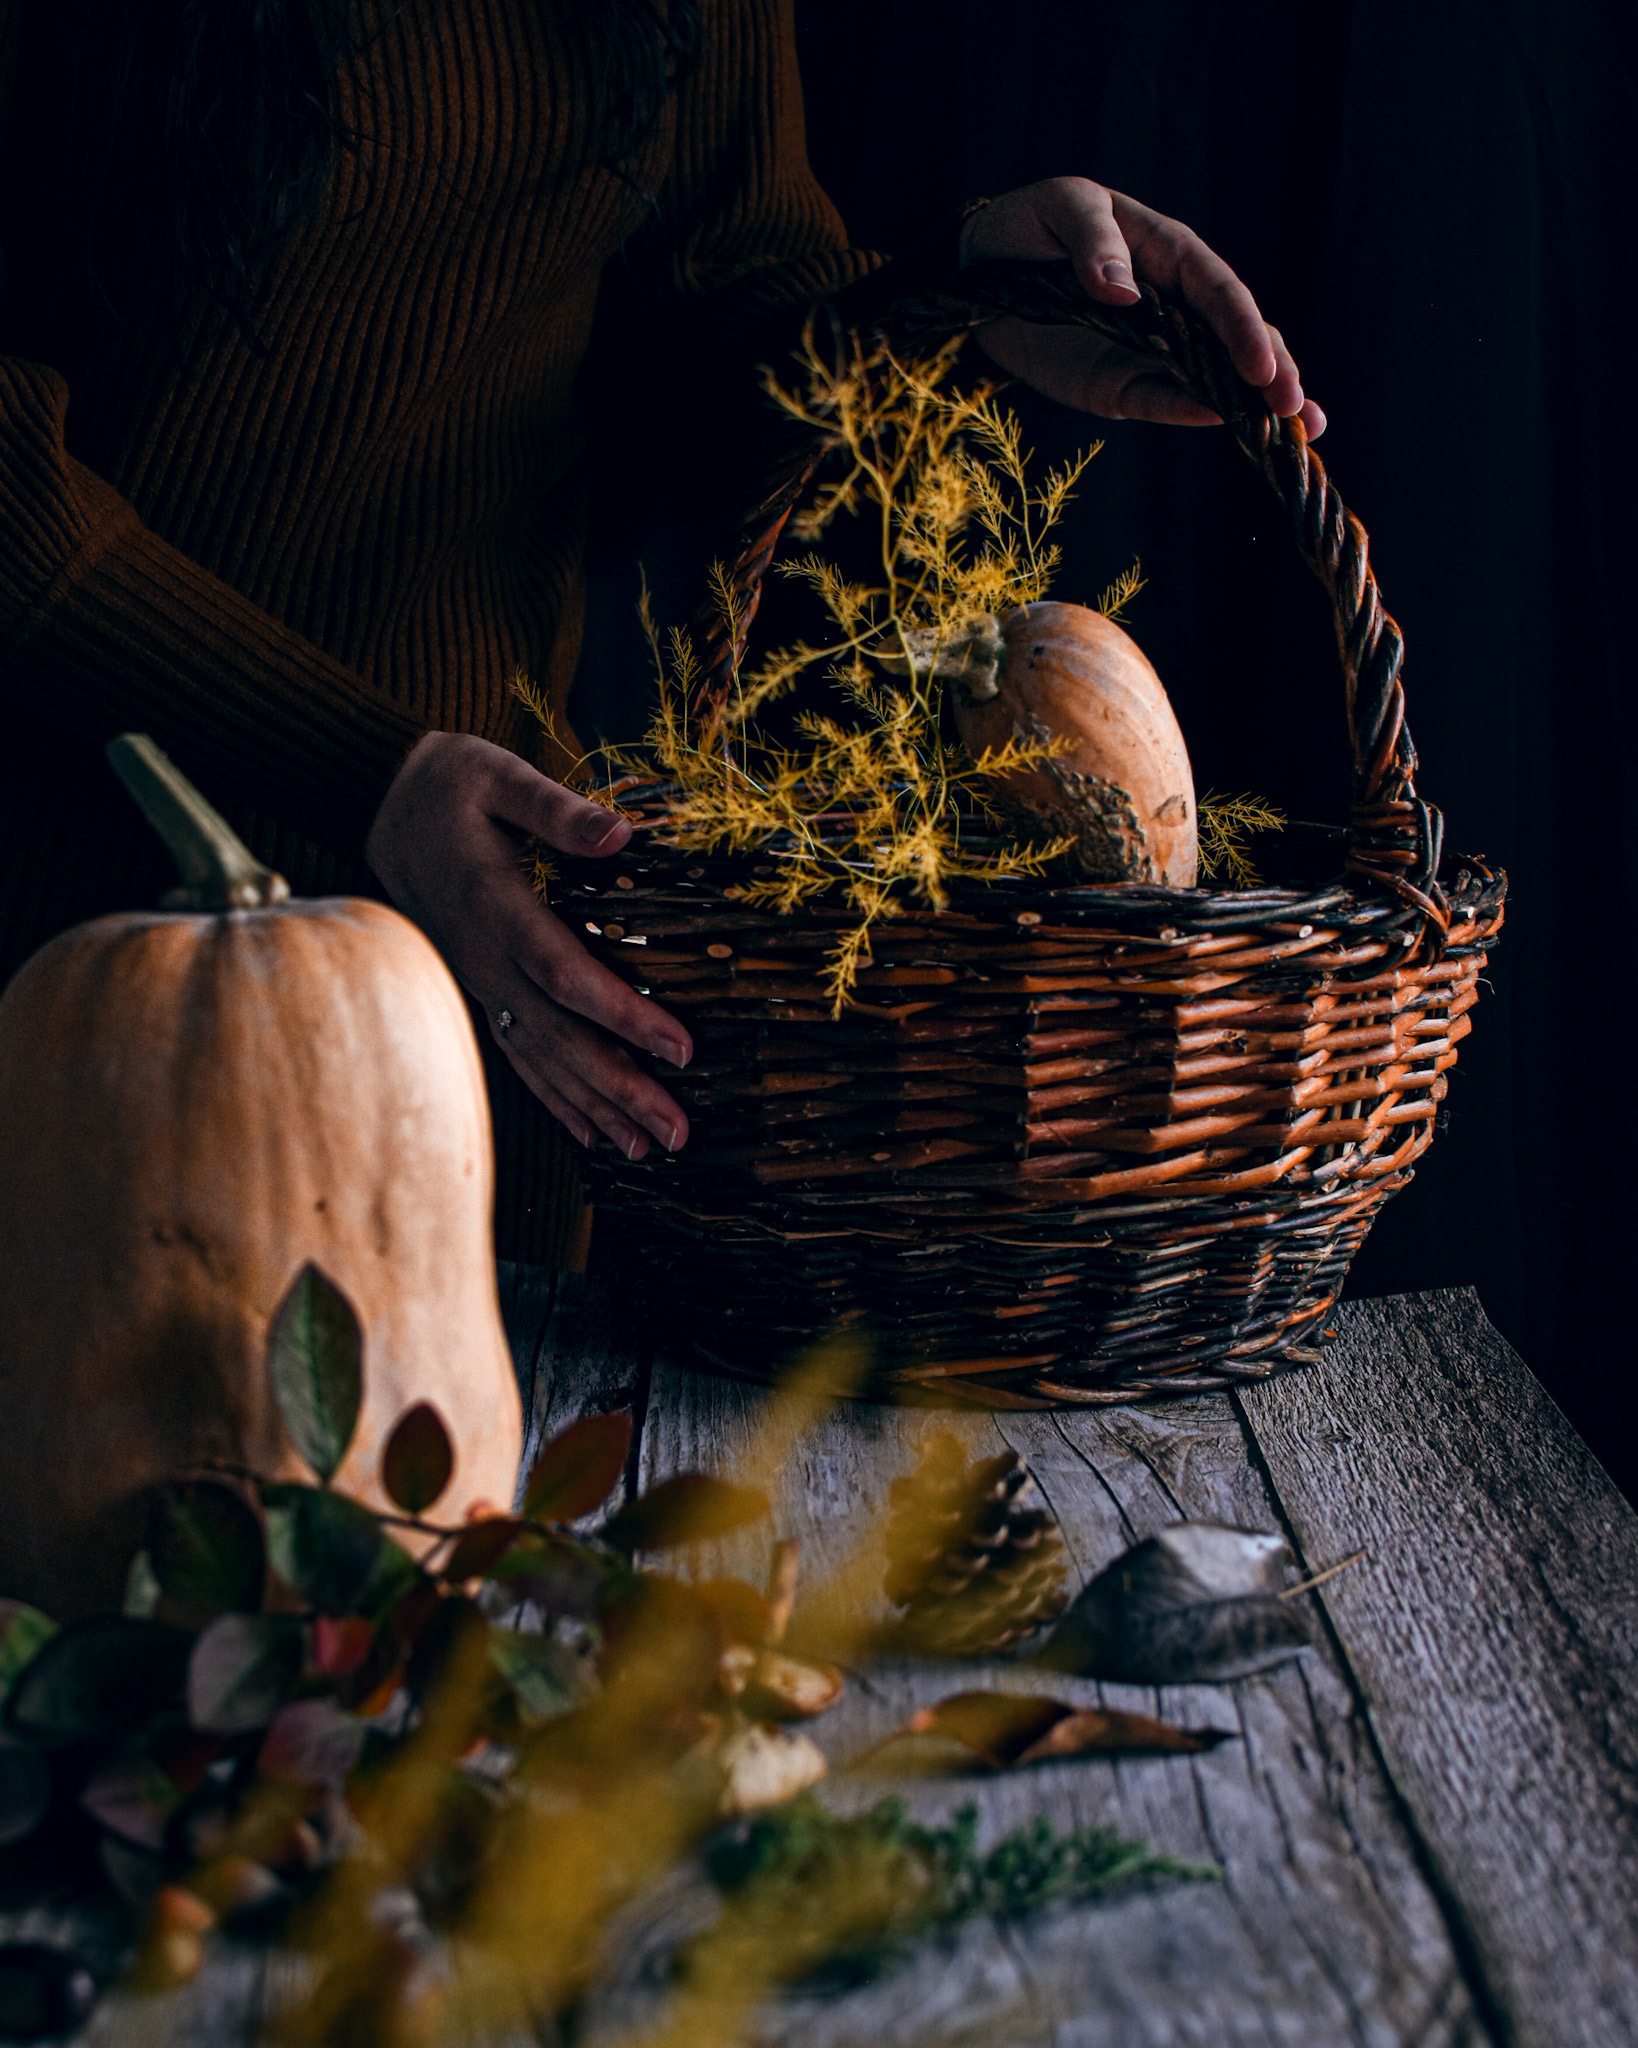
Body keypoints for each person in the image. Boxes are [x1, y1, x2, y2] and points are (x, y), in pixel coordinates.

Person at [0, 0, 1321, 1261]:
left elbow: (699, 352)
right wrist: (370, 773)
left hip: (479, 954)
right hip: (69, 947)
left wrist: (965, 298)